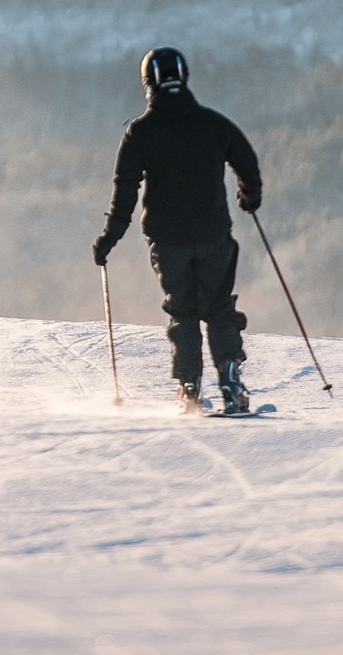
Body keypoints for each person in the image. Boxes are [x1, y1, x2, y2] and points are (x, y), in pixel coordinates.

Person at [92, 47, 262, 413]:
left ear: (148, 83)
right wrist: (249, 197)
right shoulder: (214, 124)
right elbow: (246, 161)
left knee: (182, 313)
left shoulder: (140, 133)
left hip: (167, 242)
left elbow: (125, 189)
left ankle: (189, 388)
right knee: (218, 310)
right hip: (214, 234)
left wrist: (109, 238)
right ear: (183, 77)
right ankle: (231, 381)